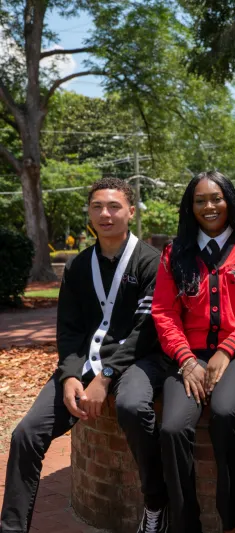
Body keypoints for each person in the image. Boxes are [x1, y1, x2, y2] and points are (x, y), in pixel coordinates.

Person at [1, 178, 169, 533]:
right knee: (26, 434)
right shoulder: (77, 267)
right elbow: (70, 330)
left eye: (114, 207)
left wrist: (105, 378)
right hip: (85, 364)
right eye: (97, 207)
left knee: (133, 408)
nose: (105, 214)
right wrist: (71, 376)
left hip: (137, 360)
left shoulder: (152, 263)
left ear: (131, 212)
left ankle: (156, 502)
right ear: (89, 213)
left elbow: (147, 329)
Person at [151, 171, 235, 533]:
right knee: (172, 428)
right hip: (189, 355)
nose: (209, 206)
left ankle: (231, 513)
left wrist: (228, 350)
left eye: (216, 198)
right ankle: (186, 522)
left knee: (223, 412)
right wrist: (186, 360)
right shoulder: (175, 252)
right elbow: (164, 312)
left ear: (230, 200)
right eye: (200, 200)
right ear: (190, 207)